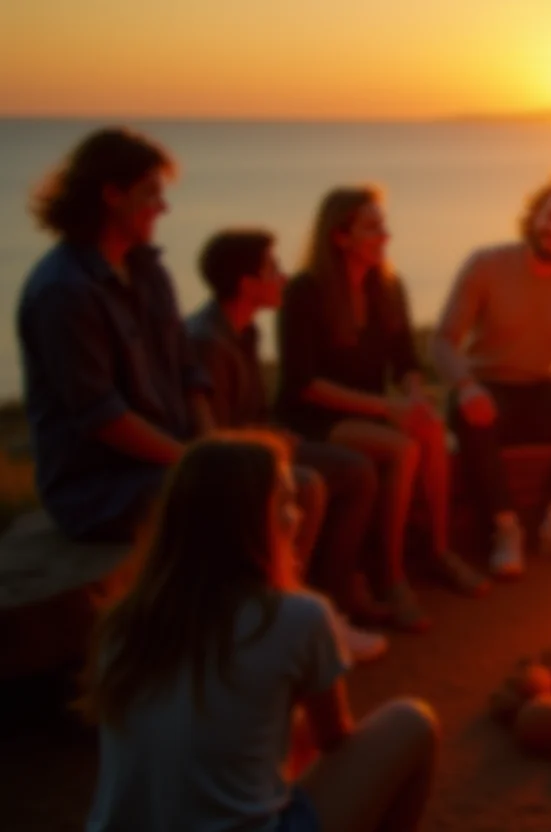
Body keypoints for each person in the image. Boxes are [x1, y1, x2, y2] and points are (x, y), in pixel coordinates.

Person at [83, 432, 438, 832]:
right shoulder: (297, 616)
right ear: (251, 522)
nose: (299, 517)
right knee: (413, 722)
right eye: (286, 503)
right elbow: (335, 739)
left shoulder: (122, 620)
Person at [276, 186, 488, 633]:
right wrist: (387, 407)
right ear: (340, 236)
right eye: (372, 227)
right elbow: (304, 384)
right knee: (401, 449)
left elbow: (406, 360)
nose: (385, 235)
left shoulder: (387, 287)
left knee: (430, 431)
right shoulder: (305, 291)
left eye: (383, 224)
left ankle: (438, 551)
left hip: (371, 410)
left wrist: (413, 396)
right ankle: (389, 576)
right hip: (316, 418)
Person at [188, 229, 387, 662]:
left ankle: (332, 606)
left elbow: (253, 412)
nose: (283, 276)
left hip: (259, 448)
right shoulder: (208, 342)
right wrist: (268, 442)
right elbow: (213, 442)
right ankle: (286, 614)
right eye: (272, 268)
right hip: (234, 467)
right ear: (246, 284)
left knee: (356, 471)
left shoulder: (245, 332)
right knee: (308, 485)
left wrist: (276, 433)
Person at [17, 127, 211, 542]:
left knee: (283, 482)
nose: (163, 207)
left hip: (168, 462)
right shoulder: (65, 290)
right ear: (112, 195)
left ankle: (286, 605)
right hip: (102, 490)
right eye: (151, 194)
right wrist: (195, 462)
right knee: (240, 499)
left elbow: (187, 369)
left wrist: (212, 448)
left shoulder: (147, 270)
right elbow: (103, 417)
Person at [431, 175, 551, 577]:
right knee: (465, 411)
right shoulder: (486, 263)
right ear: (535, 215)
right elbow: (445, 341)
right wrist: (466, 387)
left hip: (539, 393)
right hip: (487, 392)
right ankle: (504, 529)